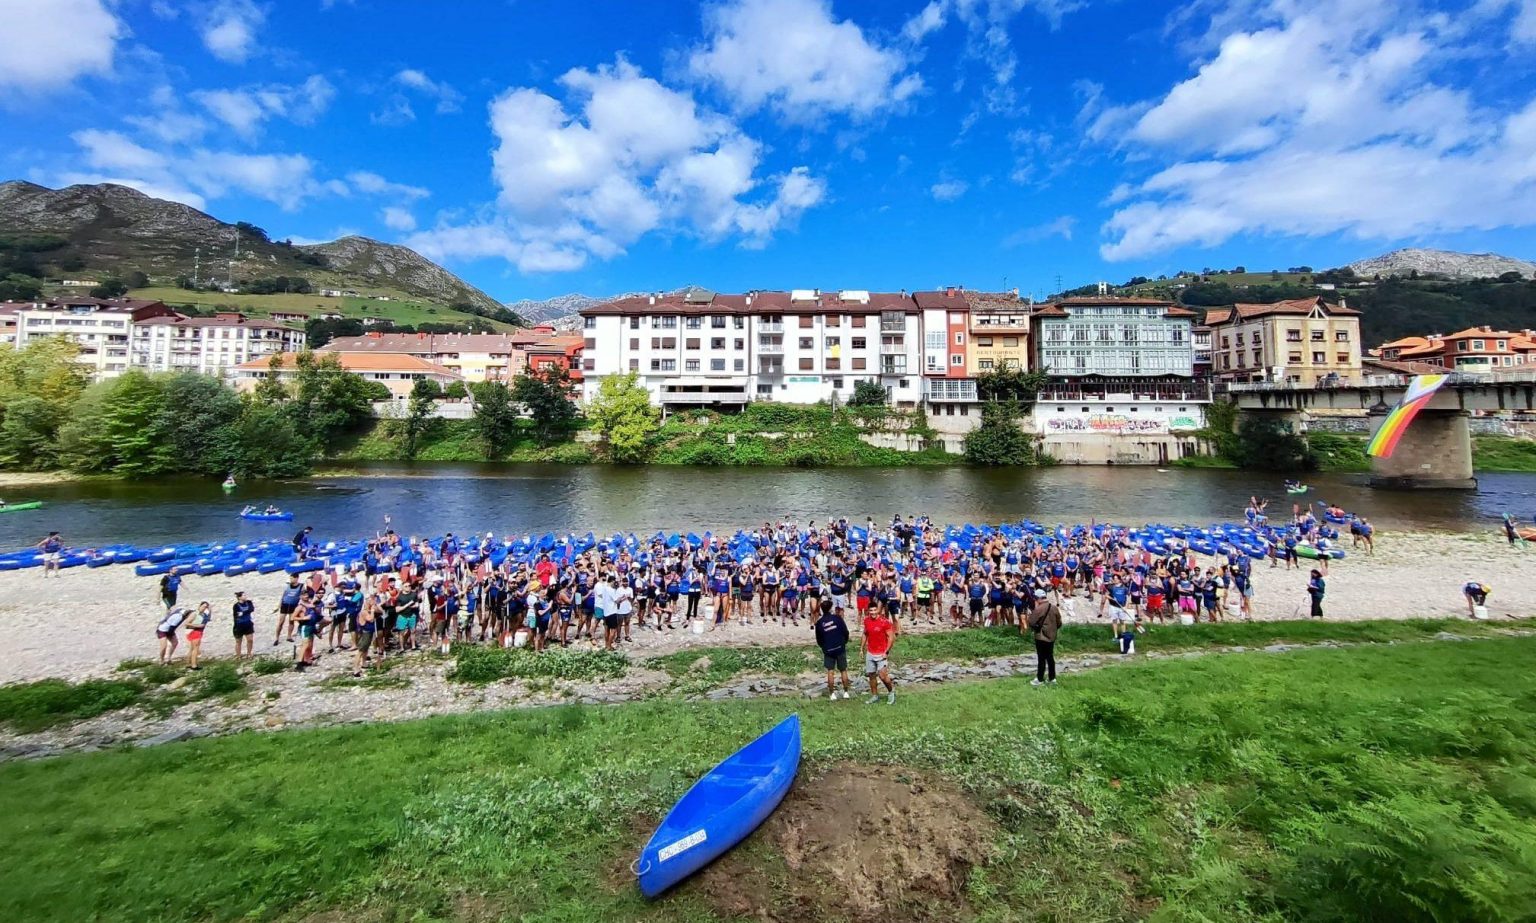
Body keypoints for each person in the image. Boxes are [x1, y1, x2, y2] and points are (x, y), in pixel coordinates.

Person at [814, 600, 853, 700]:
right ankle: (846, 692)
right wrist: (844, 642)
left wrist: (824, 647)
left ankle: (832, 694)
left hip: (828, 649)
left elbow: (819, 639)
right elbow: (845, 632)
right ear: (831, 608)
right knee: (843, 670)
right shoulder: (837, 618)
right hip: (840, 647)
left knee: (830, 671)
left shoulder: (819, 623)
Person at [861, 602, 897, 705]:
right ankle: (874, 695)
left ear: (878, 610)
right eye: (870, 610)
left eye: (874, 610)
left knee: (882, 676)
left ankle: (891, 692)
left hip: (881, 652)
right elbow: (865, 634)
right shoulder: (866, 621)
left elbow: (891, 637)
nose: (872, 612)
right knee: (871, 675)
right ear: (868, 611)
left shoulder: (884, 622)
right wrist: (861, 648)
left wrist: (886, 651)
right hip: (870, 652)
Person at [1027, 588, 1062, 686]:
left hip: (1041, 637)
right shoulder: (1054, 607)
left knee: (1041, 659)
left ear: (1038, 598)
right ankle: (1052, 678)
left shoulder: (1039, 609)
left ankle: (1039, 679)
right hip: (1052, 636)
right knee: (1050, 658)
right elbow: (1059, 622)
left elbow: (1032, 622)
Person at [184, 601, 212, 669]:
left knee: (191, 648)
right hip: (194, 631)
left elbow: (208, 618)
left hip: (197, 631)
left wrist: (210, 609)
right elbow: (186, 623)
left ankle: (188, 664)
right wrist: (198, 626)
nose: (204, 608)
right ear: (200, 606)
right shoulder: (195, 614)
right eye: (203, 606)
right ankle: (194, 665)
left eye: (205, 607)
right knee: (195, 649)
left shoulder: (204, 614)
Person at [231, 591, 256, 659]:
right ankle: (238, 655)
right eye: (244, 595)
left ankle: (249, 653)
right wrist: (243, 613)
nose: (245, 596)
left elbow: (251, 609)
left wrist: (243, 613)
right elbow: (236, 615)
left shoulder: (249, 602)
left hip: (248, 624)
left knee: (250, 640)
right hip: (239, 625)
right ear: (239, 597)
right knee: (238, 641)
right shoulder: (236, 606)